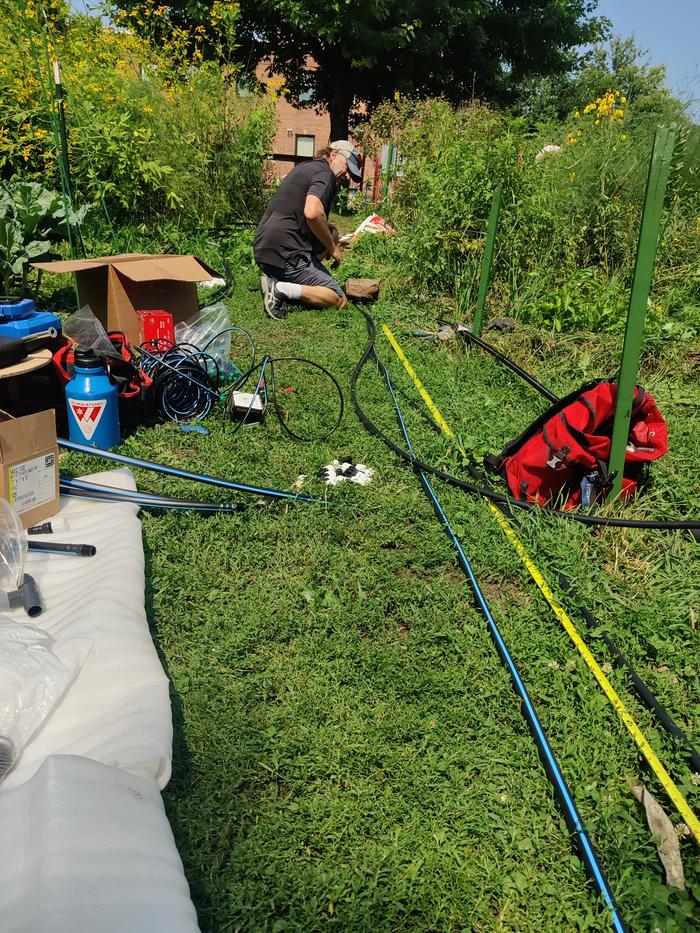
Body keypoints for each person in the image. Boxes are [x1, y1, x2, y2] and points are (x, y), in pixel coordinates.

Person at [254, 140, 362, 320]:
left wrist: (331, 237)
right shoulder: (325, 174)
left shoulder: (305, 167)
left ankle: (288, 278)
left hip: (263, 250)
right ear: (333, 154)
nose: (348, 176)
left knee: (333, 231)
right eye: (347, 167)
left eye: (352, 173)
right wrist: (333, 248)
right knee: (339, 299)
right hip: (285, 253)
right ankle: (281, 289)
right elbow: (312, 213)